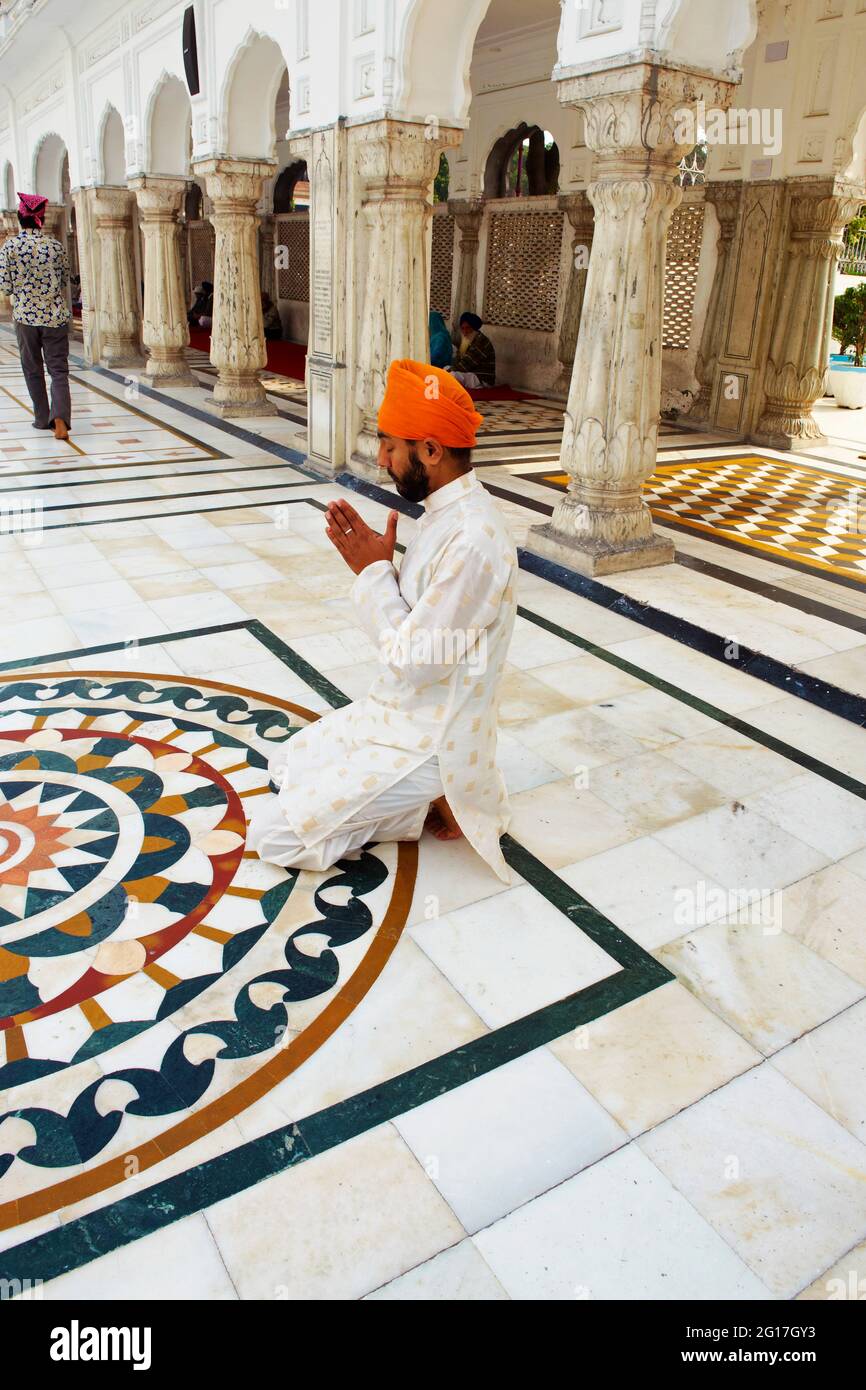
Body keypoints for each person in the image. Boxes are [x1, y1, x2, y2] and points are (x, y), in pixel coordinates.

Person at [250, 358, 517, 883]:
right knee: (285, 766)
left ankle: (444, 789)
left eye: (391, 445)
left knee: (273, 835)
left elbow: (417, 663)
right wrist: (383, 570)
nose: (381, 458)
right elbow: (423, 623)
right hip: (397, 714)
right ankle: (417, 805)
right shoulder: (445, 514)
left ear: (432, 451)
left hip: (432, 737)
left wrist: (374, 573)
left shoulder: (473, 540)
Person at [0, 192, 71, 441]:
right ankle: (60, 418)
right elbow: (63, 281)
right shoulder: (55, 246)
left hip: (25, 318)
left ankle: (42, 419)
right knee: (58, 370)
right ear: (41, 219)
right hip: (55, 317)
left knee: (32, 369)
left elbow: (5, 286)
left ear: (20, 218)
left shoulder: (10, 247)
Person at [449, 310, 496, 388]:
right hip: (470, 374)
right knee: (446, 368)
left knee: (452, 375)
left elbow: (465, 365)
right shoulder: (467, 340)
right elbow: (458, 360)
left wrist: (448, 372)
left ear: (474, 328)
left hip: (482, 379)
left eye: (468, 328)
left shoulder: (481, 341)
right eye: (463, 328)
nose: (465, 331)